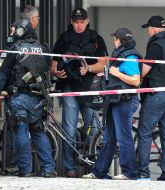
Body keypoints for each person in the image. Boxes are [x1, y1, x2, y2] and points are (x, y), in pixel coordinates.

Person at [0, 18, 56, 177]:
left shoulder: (14, 48)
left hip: (19, 97)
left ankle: (25, 170)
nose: (12, 33)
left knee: (21, 130)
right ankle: (48, 169)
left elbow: (2, 74)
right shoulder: (42, 48)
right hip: (38, 98)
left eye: (14, 31)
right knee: (38, 131)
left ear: (21, 31)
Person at [51, 8, 108, 178]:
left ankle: (95, 166)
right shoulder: (64, 38)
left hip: (90, 88)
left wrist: (89, 68)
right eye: (76, 22)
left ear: (87, 21)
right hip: (69, 87)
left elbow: (104, 64)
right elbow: (53, 64)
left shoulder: (96, 39)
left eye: (81, 22)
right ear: (71, 21)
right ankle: (70, 168)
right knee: (69, 129)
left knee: (94, 129)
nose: (78, 25)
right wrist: (56, 72)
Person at [82, 27, 142, 180]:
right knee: (109, 137)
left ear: (120, 40)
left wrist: (116, 73)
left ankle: (129, 172)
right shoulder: (120, 56)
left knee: (124, 136)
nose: (113, 41)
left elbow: (136, 80)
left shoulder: (129, 56)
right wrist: (107, 75)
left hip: (125, 100)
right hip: (115, 100)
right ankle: (99, 171)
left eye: (115, 38)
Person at [137, 15, 165, 181]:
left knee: (144, 132)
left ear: (154, 28)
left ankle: (143, 174)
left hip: (158, 95)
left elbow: (144, 71)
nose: (148, 31)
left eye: (148, 28)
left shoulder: (156, 45)